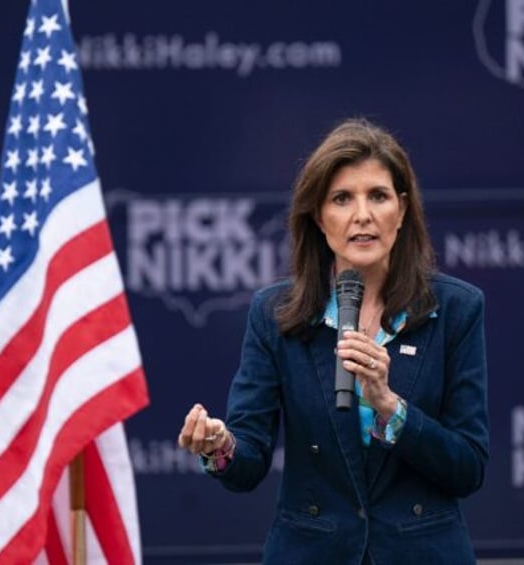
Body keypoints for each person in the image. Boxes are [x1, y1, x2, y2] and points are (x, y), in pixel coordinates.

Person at [178, 118, 488, 564]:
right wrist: (220, 446)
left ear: (401, 211)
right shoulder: (275, 314)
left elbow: (468, 467)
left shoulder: (456, 310)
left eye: (377, 196)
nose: (362, 214)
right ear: (319, 217)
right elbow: (248, 459)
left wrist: (390, 406)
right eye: (342, 198)